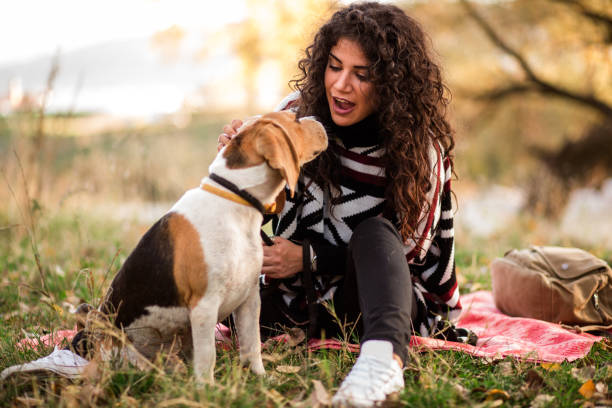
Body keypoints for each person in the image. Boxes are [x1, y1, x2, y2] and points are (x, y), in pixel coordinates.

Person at [218, 2, 465, 406]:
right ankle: (118, 331)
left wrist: (309, 258)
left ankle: (381, 365)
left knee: (375, 231)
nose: (341, 85)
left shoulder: (421, 151)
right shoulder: (296, 116)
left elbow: (407, 254)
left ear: (392, 83)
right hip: (295, 299)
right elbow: (264, 203)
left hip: (380, 304)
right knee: (204, 229)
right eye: (335, 66)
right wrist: (238, 162)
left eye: (361, 75)